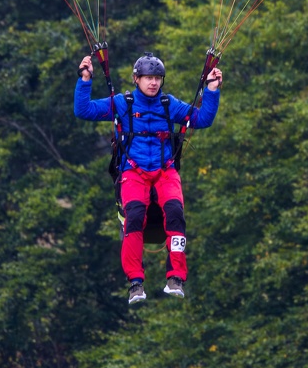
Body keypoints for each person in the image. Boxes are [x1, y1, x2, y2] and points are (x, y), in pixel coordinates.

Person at [74, 52, 222, 304]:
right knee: (134, 217)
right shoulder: (123, 103)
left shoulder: (169, 105)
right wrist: (85, 79)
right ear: (136, 79)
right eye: (148, 78)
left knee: (176, 213)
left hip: (165, 172)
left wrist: (211, 89)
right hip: (134, 172)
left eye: (157, 78)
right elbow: (83, 110)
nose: (153, 83)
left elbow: (202, 119)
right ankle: (135, 281)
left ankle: (176, 277)